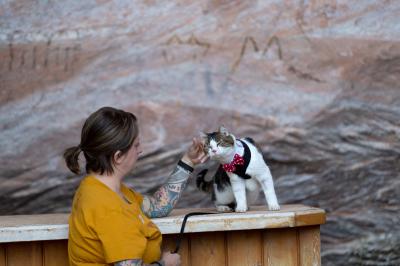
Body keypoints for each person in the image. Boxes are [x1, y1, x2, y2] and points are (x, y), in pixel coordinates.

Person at [64, 106, 208, 266]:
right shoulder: (109, 207)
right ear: (118, 156)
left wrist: (188, 161)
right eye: (136, 145)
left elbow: (158, 207)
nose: (140, 151)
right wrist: (165, 264)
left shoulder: (99, 188)